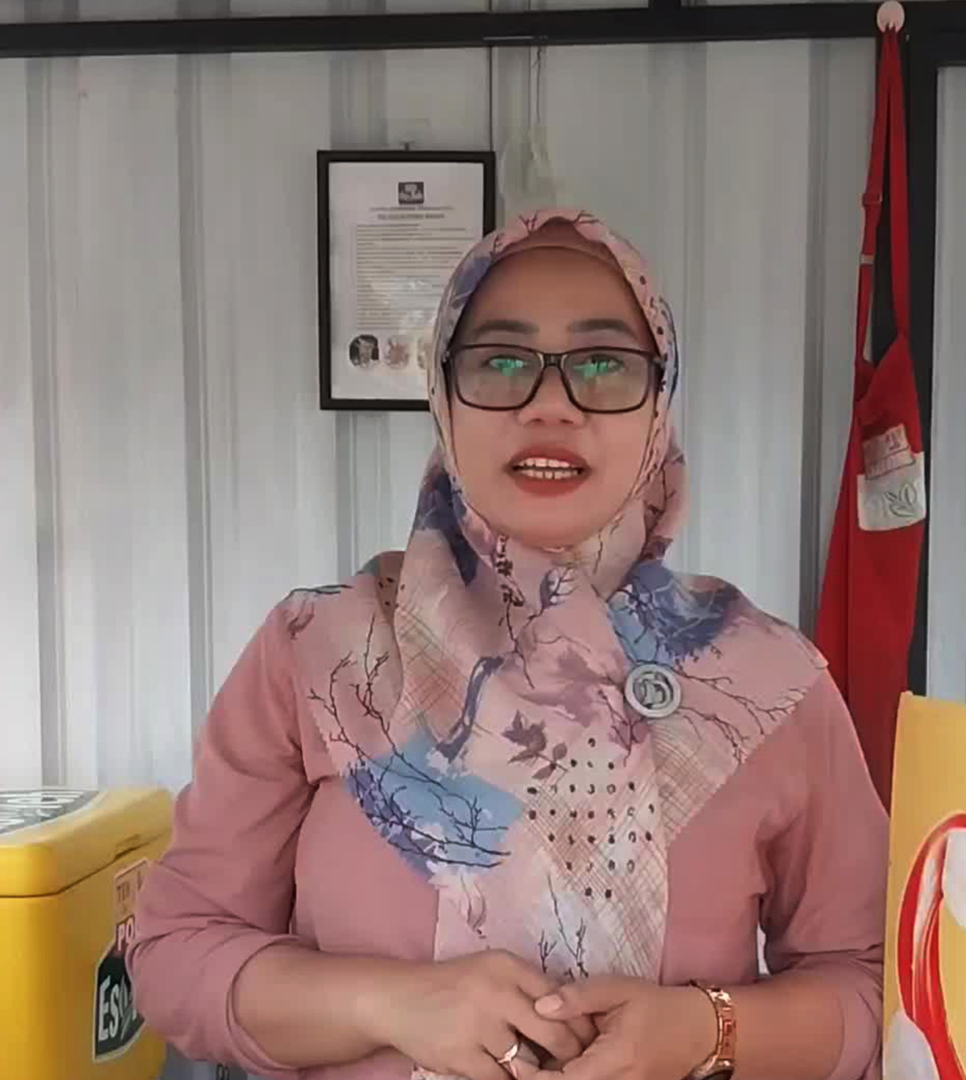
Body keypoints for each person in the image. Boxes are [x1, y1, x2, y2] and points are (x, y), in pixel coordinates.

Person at [130, 208, 888, 1080]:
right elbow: (176, 952)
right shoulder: (322, 656)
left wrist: (705, 1032)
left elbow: (875, 986)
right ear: (445, 397)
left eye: (603, 363)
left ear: (659, 403)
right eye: (500, 362)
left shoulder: (763, 681)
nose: (551, 404)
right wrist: (393, 1004)